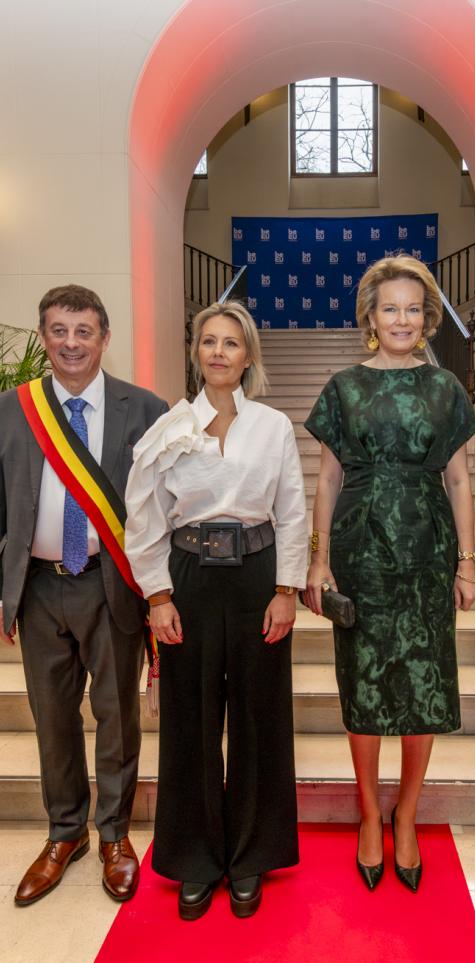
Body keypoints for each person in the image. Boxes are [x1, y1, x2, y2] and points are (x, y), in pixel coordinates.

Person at [304, 255, 475, 892]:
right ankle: (368, 815)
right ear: (371, 318)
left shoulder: (445, 389)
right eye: (390, 309)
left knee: (423, 684)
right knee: (364, 682)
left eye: (413, 308)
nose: (402, 318)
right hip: (358, 551)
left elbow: (459, 478)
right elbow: (325, 477)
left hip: (429, 548)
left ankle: (406, 815)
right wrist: (318, 558)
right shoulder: (344, 386)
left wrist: (468, 560)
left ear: (427, 318)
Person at [124, 300, 307, 921]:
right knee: (191, 720)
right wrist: (157, 595)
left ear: (248, 355)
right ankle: (196, 858)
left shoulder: (274, 427)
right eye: (210, 342)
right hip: (188, 580)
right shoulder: (169, 427)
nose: (220, 352)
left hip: (258, 576)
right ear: (196, 352)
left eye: (232, 343)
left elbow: (291, 510)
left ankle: (251, 856)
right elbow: (144, 515)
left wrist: (287, 589)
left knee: (258, 716)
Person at [0, 284, 167, 906]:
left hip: (110, 584)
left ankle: (115, 835)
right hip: (38, 587)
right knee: (51, 719)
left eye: (84, 331)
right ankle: (64, 833)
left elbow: (166, 507)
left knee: (117, 717)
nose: (71, 343)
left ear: (104, 337)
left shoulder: (145, 409)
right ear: (44, 336)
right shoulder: (11, 409)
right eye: (59, 331)